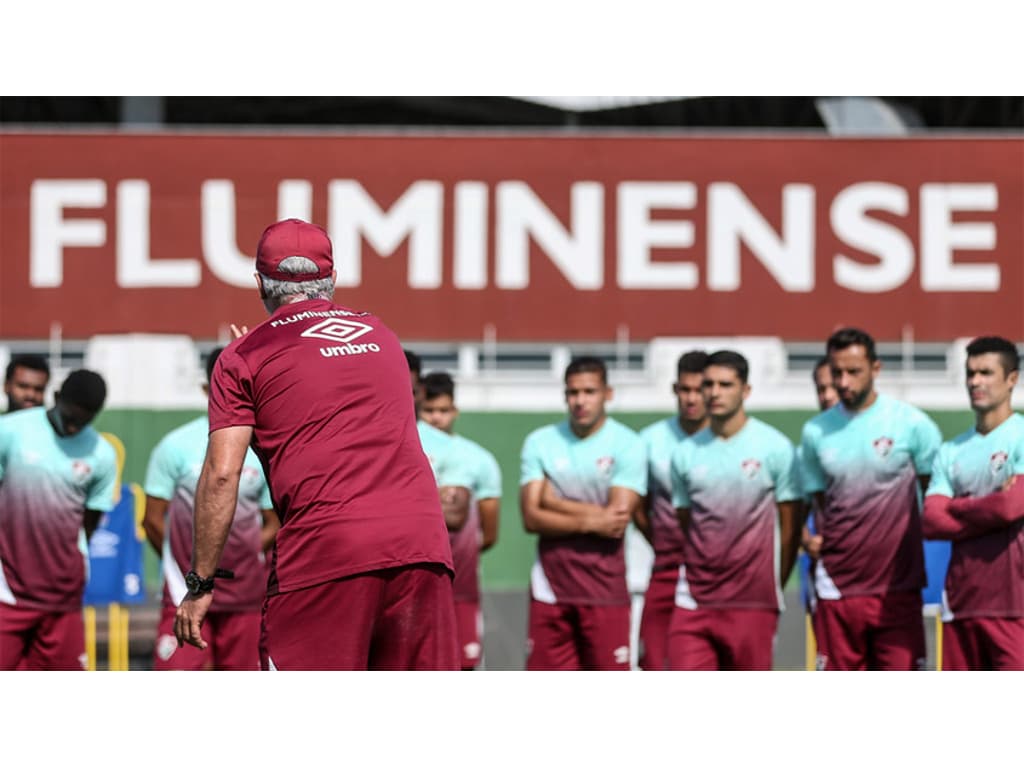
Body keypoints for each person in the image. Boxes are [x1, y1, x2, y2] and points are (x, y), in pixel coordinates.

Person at [173, 217, 459, 670]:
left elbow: (223, 473)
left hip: (326, 556)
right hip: (422, 547)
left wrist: (201, 583)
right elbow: (327, 385)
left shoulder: (244, 358)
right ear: (333, 279)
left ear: (259, 284)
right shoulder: (382, 335)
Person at [799, 327, 942, 671]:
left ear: (876, 369)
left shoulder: (912, 425)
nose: (843, 382)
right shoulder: (815, 432)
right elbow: (809, 504)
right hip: (837, 590)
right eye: (837, 373)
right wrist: (807, 539)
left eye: (853, 372)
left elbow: (936, 498)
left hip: (899, 589)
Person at [143, 346, 279, 671]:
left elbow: (273, 521)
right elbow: (151, 519)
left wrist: (245, 552)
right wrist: (192, 567)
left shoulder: (263, 445)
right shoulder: (175, 445)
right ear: (208, 388)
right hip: (185, 593)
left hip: (245, 596)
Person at [666, 351, 803, 670]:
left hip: (752, 603)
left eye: (725, 384)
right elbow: (689, 523)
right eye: (708, 384)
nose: (714, 392)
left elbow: (790, 530)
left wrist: (769, 586)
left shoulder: (775, 448)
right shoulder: (685, 454)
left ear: (746, 390)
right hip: (694, 600)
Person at [519, 356, 647, 670]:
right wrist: (593, 519)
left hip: (606, 591)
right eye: (573, 393)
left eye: (589, 392)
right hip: (550, 591)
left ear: (608, 394)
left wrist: (555, 503)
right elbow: (531, 518)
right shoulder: (540, 442)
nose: (580, 401)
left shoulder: (629, 444)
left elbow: (616, 522)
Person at [0, 369, 117, 670]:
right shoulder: (10, 431)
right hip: (7, 594)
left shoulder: (101, 455)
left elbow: (89, 523)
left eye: (84, 419)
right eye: (69, 416)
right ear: (55, 399)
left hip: (62, 597)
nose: (74, 426)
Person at [922, 336, 1024, 670]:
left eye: (985, 372)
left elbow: (1014, 505)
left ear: (1012, 379)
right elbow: (933, 521)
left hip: (1015, 608)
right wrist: (995, 502)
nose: (975, 382)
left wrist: (958, 505)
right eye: (970, 373)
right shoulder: (951, 451)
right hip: (961, 606)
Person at [419, 370, 502, 670]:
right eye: (429, 410)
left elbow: (489, 532)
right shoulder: (407, 450)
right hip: (416, 587)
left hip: (462, 587)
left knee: (465, 667)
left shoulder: (478, 459)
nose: (436, 418)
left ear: (454, 410)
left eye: (442, 410)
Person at [633, 350, 710, 670]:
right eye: (684, 390)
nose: (691, 398)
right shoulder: (649, 441)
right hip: (664, 571)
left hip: (714, 577)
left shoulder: (725, 440)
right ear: (675, 390)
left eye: (699, 390)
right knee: (654, 662)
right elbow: (639, 507)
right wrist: (661, 542)